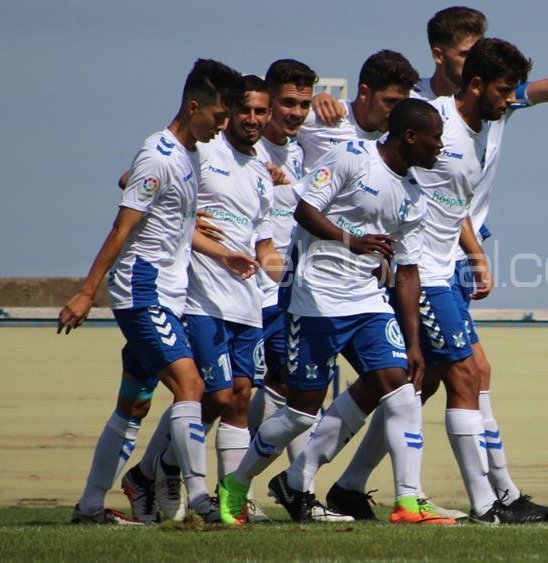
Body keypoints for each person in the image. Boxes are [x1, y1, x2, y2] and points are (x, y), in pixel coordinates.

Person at [329, 28, 548, 522]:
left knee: (419, 383)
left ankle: (347, 485)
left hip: (447, 264)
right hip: (423, 272)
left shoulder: (486, 119)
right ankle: (491, 501)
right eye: (502, 89)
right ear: (464, 73)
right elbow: (378, 159)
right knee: (465, 375)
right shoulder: (431, 122)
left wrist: (474, 252)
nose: (510, 98)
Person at [218, 99, 456, 526]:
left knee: (400, 389)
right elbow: (304, 210)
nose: (441, 146)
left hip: (366, 301)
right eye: (435, 137)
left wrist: (414, 343)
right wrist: (352, 240)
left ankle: (407, 502)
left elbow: (407, 273)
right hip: (315, 299)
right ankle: (237, 484)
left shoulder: (416, 197)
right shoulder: (352, 157)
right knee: (300, 414)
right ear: (410, 137)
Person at [58, 59, 249, 524]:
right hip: (143, 293)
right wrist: (86, 291)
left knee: (134, 404)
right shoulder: (159, 154)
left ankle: (88, 507)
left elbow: (167, 218)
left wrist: (222, 254)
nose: (222, 126)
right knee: (191, 385)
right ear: (194, 105)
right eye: (219, 117)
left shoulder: (188, 156)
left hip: (167, 295)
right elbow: (122, 227)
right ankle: (201, 497)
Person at [120, 75, 284, 525]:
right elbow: (132, 181)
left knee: (238, 397)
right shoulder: (203, 149)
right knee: (208, 393)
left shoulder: (261, 171)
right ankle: (164, 477)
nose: (253, 119)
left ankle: (226, 499)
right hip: (201, 301)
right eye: (245, 110)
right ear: (228, 112)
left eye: (260, 112)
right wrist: (191, 220)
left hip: (247, 303)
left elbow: (263, 243)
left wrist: (285, 272)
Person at [245, 58, 318, 522]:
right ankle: (156, 475)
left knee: (293, 389)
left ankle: (300, 492)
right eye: (288, 103)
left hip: (285, 292)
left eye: (304, 104)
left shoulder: (299, 151)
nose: (296, 113)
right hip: (249, 290)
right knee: (219, 397)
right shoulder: (242, 150)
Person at [297, 50, 419, 169]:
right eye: (390, 101)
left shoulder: (399, 136)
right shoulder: (322, 116)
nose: (397, 111)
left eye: (402, 103)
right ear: (364, 93)